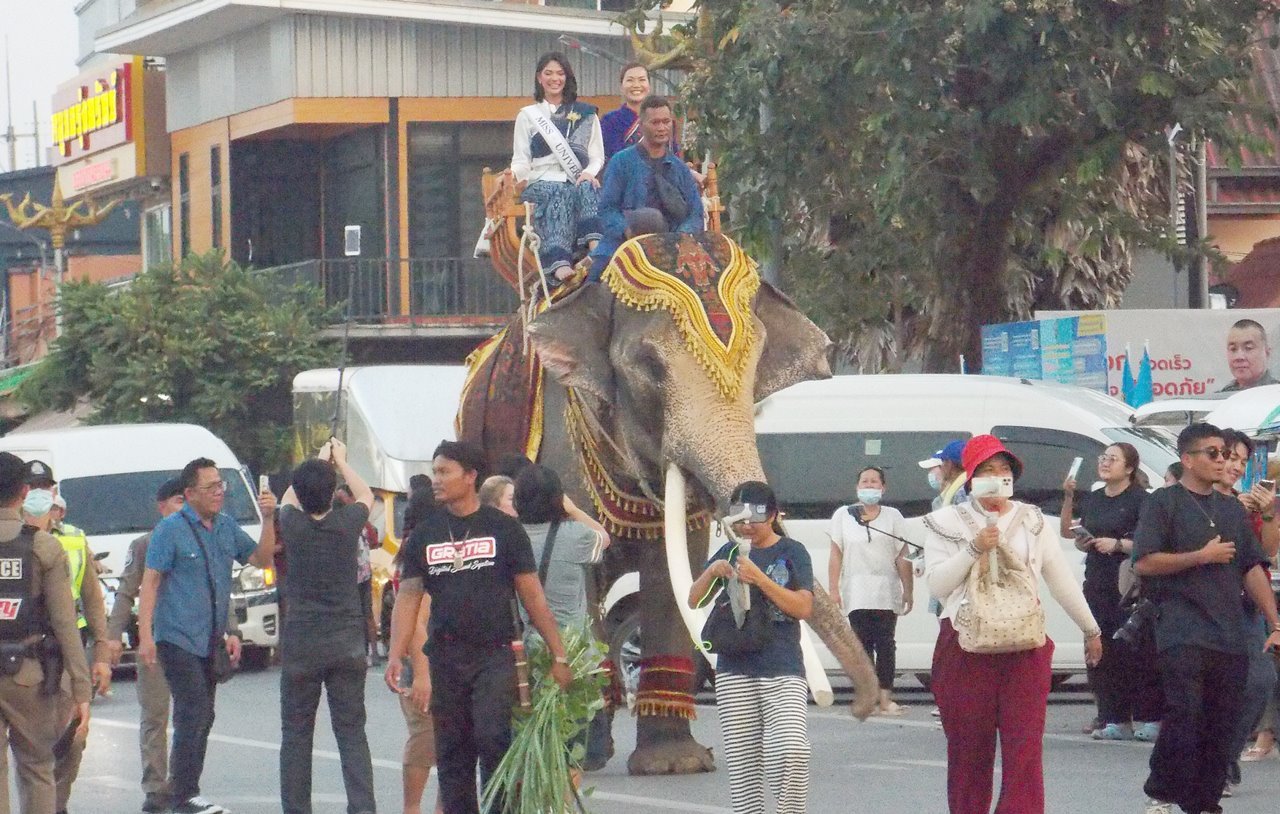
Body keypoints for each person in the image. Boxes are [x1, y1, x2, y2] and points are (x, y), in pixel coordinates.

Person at [383, 440, 572, 814]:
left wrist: (559, 653)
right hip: (445, 656)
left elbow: (532, 596)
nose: (436, 480)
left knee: (492, 736)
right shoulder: (426, 533)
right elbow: (408, 598)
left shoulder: (504, 530)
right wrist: (394, 654)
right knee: (452, 752)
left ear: (470, 477)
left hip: (494, 654)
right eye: (435, 472)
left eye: (444, 472)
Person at [923, 434, 1102, 814]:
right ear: (970, 476)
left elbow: (1059, 578)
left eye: (1005, 470)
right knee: (968, 750)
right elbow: (938, 584)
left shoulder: (1032, 520)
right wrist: (974, 547)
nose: (998, 477)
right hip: (964, 645)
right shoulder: (944, 521)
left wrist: (1090, 628)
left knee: (1025, 749)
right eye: (988, 469)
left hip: (1025, 646)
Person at [1134, 422, 1280, 814]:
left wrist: (1275, 622)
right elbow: (1144, 562)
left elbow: (1252, 567)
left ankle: (1204, 801)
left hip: (1227, 630)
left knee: (1222, 720)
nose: (1222, 460)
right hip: (1181, 628)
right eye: (1212, 453)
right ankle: (1167, 788)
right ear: (1187, 459)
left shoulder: (1231, 508)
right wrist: (1199, 557)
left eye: (1226, 454)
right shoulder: (1163, 503)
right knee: (1185, 712)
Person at [137, 457, 277, 814]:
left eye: (221, 486)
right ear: (190, 493)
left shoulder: (226, 526)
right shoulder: (170, 530)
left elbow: (261, 559)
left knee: (205, 713)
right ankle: (182, 795)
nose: (219, 493)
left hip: (209, 637)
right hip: (176, 636)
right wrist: (146, 636)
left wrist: (269, 519)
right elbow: (150, 583)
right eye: (211, 487)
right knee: (193, 708)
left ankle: (184, 790)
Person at [688, 481, 813, 814]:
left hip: (782, 666)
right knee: (743, 768)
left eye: (754, 517)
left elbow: (802, 607)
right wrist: (712, 572)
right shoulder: (729, 551)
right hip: (734, 667)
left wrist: (761, 579)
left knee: (792, 750)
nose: (746, 526)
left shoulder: (792, 552)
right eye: (738, 518)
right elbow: (694, 598)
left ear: (772, 515)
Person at [276, 439, 376, 814]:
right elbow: (365, 493)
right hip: (347, 640)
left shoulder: (292, 523)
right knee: (351, 732)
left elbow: (290, 495)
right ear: (334, 492)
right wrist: (341, 462)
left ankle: (297, 809)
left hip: (302, 642)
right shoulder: (348, 523)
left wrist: (319, 459)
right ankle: (363, 808)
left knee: (297, 735)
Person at [0, 452, 91, 814]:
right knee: (38, 768)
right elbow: (65, 624)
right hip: (28, 675)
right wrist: (81, 690)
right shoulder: (43, 546)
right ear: (24, 492)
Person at [1060, 443, 1161, 741]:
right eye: (1103, 458)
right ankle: (1112, 717)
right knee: (1100, 649)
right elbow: (1068, 531)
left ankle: (1148, 716)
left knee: (1135, 650)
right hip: (1097, 582)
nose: (1105, 463)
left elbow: (1151, 541)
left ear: (1129, 468)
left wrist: (1117, 545)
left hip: (1129, 586)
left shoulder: (1142, 500)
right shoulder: (1093, 498)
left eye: (1112, 459)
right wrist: (1069, 499)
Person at [27, 489, 112, 814]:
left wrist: (102, 654)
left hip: (64, 650)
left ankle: (56, 806)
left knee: (73, 737)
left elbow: (91, 599)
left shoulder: (74, 539)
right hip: (20, 655)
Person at [105, 478, 187, 813]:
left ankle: (184, 781)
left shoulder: (201, 537)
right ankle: (156, 786)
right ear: (162, 506)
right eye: (178, 500)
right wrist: (112, 636)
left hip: (192, 642)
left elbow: (217, 587)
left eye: (187, 500)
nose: (183, 506)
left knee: (192, 717)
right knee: (155, 715)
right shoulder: (144, 545)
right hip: (154, 641)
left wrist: (231, 629)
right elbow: (126, 592)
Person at [1214, 429, 1279, 795]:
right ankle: (1210, 762)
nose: (1235, 466)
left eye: (1242, 460)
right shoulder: (1190, 501)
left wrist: (1268, 514)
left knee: (1259, 681)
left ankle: (1225, 754)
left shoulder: (1246, 504)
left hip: (1247, 605)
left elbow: (1265, 553)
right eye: (1229, 457)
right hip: (1204, 606)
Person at [510, 52, 604, 285]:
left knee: (587, 187)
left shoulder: (586, 114)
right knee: (558, 191)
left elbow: (596, 156)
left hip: (574, 177)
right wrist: (512, 176)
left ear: (567, 77)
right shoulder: (528, 116)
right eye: (548, 73)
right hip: (540, 182)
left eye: (560, 73)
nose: (555, 78)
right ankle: (558, 261)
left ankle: (596, 249)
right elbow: (521, 160)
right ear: (539, 78)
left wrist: (589, 174)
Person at [589, 94, 704, 281]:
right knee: (596, 279)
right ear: (641, 126)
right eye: (655, 122)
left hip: (672, 244)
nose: (662, 128)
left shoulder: (680, 168)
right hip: (626, 241)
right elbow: (606, 209)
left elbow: (695, 213)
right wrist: (626, 230)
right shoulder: (621, 162)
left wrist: (681, 237)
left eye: (666, 122)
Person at [827, 466, 912, 716]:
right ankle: (867, 696)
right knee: (860, 645)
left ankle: (885, 698)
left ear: (883, 488)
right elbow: (836, 554)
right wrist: (833, 589)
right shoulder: (843, 515)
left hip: (886, 591)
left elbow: (902, 555)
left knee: (885, 645)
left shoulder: (893, 516)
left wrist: (908, 589)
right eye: (865, 481)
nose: (870, 485)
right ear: (857, 486)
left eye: (875, 482)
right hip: (856, 592)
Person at [513, 464, 608, 629]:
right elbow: (604, 538)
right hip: (572, 644)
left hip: (527, 641)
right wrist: (573, 510)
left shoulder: (509, 535)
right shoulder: (576, 534)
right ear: (559, 498)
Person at [335, 484, 381, 665]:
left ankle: (368, 652)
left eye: (342, 497)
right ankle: (370, 652)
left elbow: (374, 539)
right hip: (362, 573)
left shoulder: (345, 522)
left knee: (357, 614)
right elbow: (374, 540)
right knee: (364, 613)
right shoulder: (359, 520)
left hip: (351, 576)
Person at [601, 62, 655, 160]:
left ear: (649, 85)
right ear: (621, 86)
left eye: (642, 80)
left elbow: (672, 156)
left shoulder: (661, 119)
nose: (636, 85)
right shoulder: (610, 121)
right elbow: (615, 157)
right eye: (630, 80)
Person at [1220, 319, 1276, 392]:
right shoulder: (1222, 397)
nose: (1239, 357)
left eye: (1248, 348)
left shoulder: (1276, 394)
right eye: (1233, 349)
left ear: (1266, 353)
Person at [920, 440, 968, 511]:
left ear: (949, 464)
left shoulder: (961, 492)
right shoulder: (966, 486)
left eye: (943, 461)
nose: (942, 466)